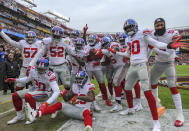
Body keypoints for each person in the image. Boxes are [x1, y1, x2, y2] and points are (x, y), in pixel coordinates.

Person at [108, 19, 186, 131]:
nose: (129, 30)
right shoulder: (129, 39)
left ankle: (156, 123)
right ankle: (130, 109)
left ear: (135, 26)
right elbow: (127, 54)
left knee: (147, 91)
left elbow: (155, 43)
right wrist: (116, 52)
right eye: (127, 28)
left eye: (131, 27)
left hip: (142, 65)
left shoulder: (142, 33)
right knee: (127, 87)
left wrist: (168, 45)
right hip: (132, 65)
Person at [25, 70, 95, 131]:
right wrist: (63, 94)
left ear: (85, 79)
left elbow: (91, 98)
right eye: (78, 79)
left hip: (83, 111)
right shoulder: (75, 85)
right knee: (59, 104)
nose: (78, 81)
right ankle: (36, 114)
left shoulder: (89, 86)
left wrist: (78, 97)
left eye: (80, 79)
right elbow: (67, 99)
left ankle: (88, 127)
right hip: (74, 109)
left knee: (87, 112)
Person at [4, 57, 60, 125]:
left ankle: (32, 115)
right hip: (35, 89)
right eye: (39, 68)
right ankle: (20, 116)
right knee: (15, 95)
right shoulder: (33, 70)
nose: (40, 70)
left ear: (47, 68)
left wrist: (46, 103)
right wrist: (15, 80)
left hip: (45, 92)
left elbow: (57, 91)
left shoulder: (50, 75)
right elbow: (27, 79)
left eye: (42, 69)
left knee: (28, 96)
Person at [150, 18, 184, 127]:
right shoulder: (152, 34)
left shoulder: (171, 34)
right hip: (158, 63)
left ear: (164, 25)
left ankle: (180, 114)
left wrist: (154, 48)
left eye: (161, 25)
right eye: (157, 25)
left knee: (172, 85)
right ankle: (156, 103)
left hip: (169, 62)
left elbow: (167, 54)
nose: (159, 27)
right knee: (152, 82)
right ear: (154, 26)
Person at [0, 25, 43, 91]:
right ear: (26, 37)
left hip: (36, 68)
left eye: (32, 37)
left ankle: (35, 99)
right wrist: (1, 32)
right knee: (19, 87)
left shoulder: (39, 43)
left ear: (35, 38)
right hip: (25, 67)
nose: (30, 39)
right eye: (29, 37)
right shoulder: (23, 43)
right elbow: (10, 41)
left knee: (38, 86)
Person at [28, 26, 71, 90]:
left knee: (68, 85)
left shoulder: (64, 42)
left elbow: (71, 52)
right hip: (52, 67)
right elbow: (39, 54)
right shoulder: (47, 42)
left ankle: (67, 99)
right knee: (52, 87)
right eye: (55, 36)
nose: (56, 38)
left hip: (63, 65)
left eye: (58, 36)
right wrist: (31, 64)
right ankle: (53, 99)